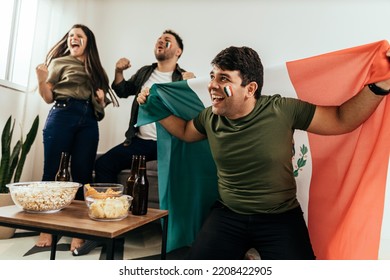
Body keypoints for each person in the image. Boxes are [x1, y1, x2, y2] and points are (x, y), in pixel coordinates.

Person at [137, 46, 390, 260]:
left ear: (250, 88)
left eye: (223, 79)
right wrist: (151, 104)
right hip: (228, 215)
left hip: (279, 218)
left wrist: (381, 85)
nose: (212, 85)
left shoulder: (281, 109)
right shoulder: (210, 117)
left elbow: (341, 119)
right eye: (213, 76)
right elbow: (183, 130)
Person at [35, 24, 118, 252]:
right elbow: (48, 97)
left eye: (78, 36)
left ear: (87, 42)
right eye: (71, 35)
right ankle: (47, 228)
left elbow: (100, 108)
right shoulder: (59, 62)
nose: (73, 38)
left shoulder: (98, 71)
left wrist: (101, 101)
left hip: (89, 120)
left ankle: (79, 229)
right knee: (51, 171)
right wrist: (42, 80)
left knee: (83, 174)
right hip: (63, 113)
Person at [94, 29, 195, 183]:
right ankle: (114, 206)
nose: (160, 41)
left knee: (185, 173)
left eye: (166, 39)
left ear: (178, 51)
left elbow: (192, 112)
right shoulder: (145, 72)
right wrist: (119, 71)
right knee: (103, 164)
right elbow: (122, 90)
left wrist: (192, 86)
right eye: (158, 39)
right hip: (141, 141)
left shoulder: (184, 78)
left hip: (169, 143)